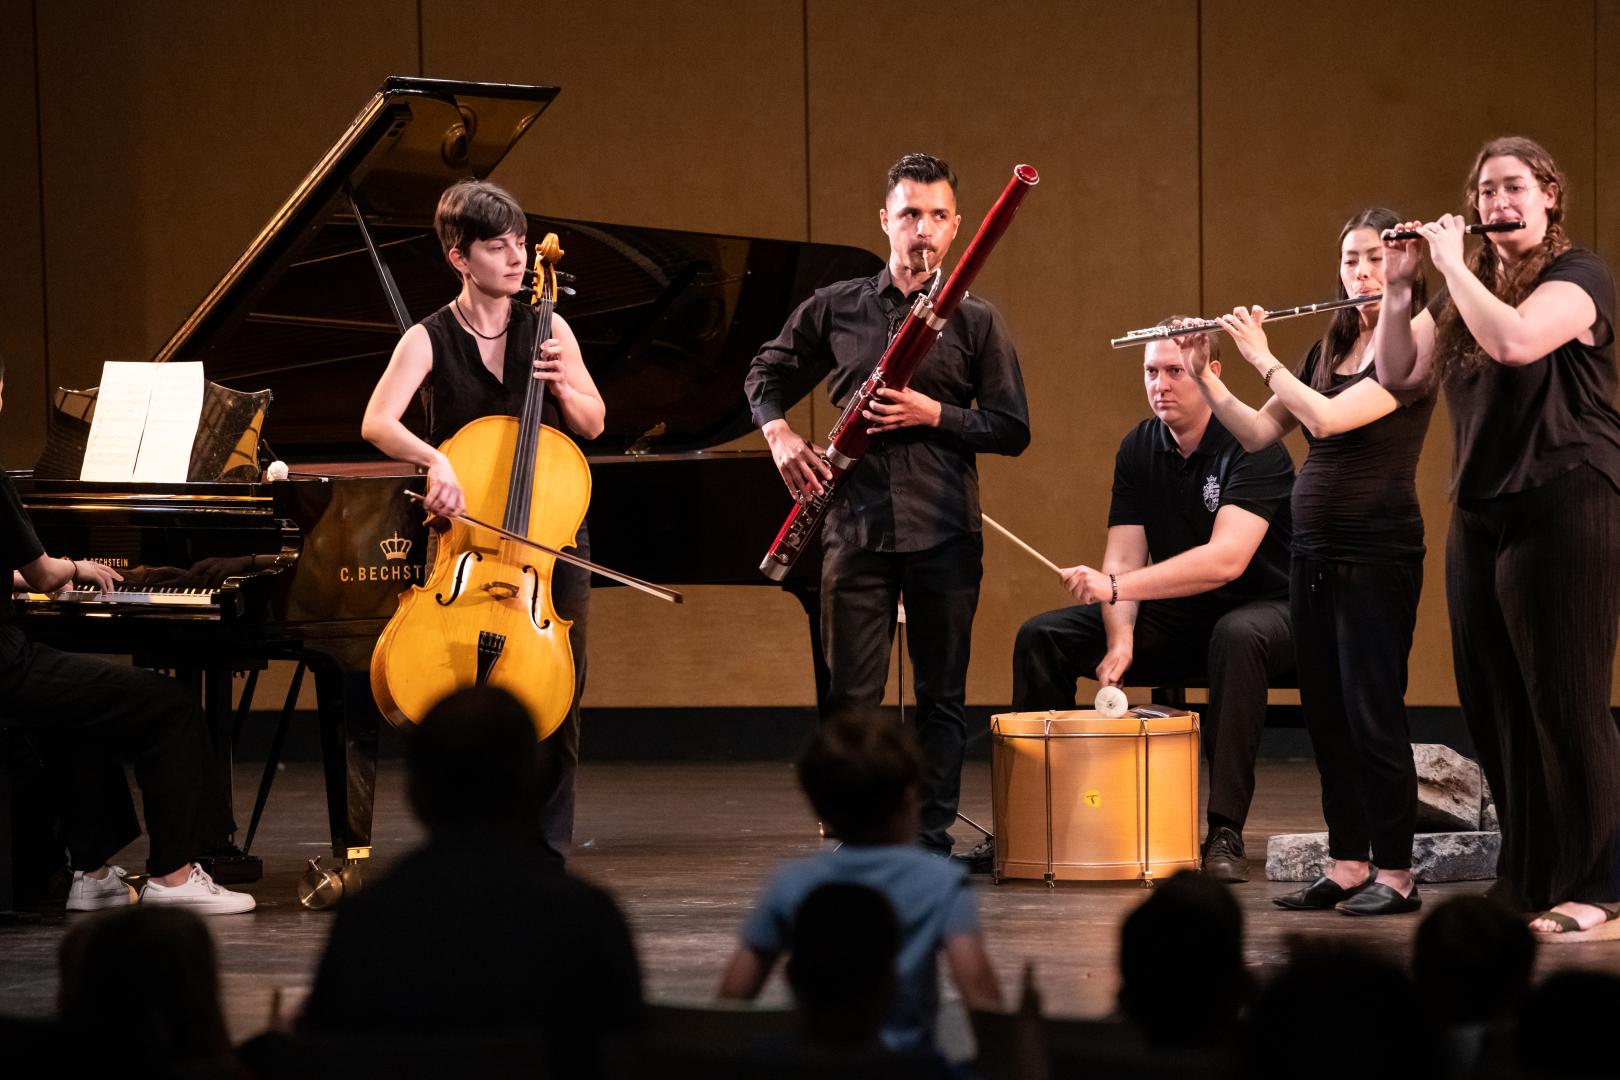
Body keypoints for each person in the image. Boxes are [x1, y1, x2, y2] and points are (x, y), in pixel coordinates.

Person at [745, 152, 1030, 856]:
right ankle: (860, 838)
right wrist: (778, 433)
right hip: (855, 529)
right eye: (910, 215)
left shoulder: (977, 322)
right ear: (885, 221)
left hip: (944, 530)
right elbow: (764, 372)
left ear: (958, 227)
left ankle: (930, 840)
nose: (923, 231)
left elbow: (1013, 428)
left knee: (942, 699)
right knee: (851, 703)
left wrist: (936, 414)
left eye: (937, 217)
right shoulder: (837, 306)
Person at [1374, 136, 1620, 939]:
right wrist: (1402, 289)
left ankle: (1601, 885)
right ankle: (1529, 876)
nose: (1495, 203)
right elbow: (1399, 376)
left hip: (1569, 497)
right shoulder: (1472, 286)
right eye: (1484, 192)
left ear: (1550, 194)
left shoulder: (1578, 276)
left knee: (1566, 701)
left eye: (1513, 187)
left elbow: (1516, 340)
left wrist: (1449, 268)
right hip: (1481, 510)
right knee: (1497, 703)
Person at [1188, 209, 1434, 915]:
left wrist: (1262, 355)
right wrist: (1209, 376)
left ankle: (1396, 873)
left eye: (1373, 259)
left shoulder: (1416, 337)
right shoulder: (1327, 347)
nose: (1360, 273)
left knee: (1372, 714)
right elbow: (1265, 429)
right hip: (1314, 552)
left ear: (1402, 264)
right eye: (1350, 261)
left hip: (1376, 550)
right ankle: (1349, 862)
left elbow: (1327, 421)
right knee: (1327, 714)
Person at [361, 179, 606, 857]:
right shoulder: (428, 338)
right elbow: (377, 422)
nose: (516, 258)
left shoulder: (549, 326)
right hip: (464, 543)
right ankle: (465, 840)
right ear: (458, 257)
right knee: (460, 705)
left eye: (521, 243)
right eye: (496, 246)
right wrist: (434, 461)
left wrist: (563, 384)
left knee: (558, 705)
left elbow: (592, 421)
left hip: (549, 547)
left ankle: (545, 849)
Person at [1011, 327, 1294, 881]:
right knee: (1043, 636)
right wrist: (1120, 639)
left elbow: (1225, 561)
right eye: (1151, 372)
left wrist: (1116, 590)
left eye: (1176, 372)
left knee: (1237, 636)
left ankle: (1225, 832)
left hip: (1272, 611)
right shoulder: (1140, 447)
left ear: (1212, 374)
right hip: (1183, 618)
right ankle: (1042, 820)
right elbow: (1121, 557)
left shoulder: (1253, 447)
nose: (1160, 385)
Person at [0, 362, 255, 915]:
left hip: (12, 663)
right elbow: (46, 577)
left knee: (81, 705)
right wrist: (74, 565)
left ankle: (90, 873)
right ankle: (172, 877)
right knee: (171, 707)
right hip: (4, 668)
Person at [297, 686, 643, 1079]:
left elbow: (328, 1051)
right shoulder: (590, 920)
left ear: (414, 793)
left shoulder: (366, 919)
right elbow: (624, 1058)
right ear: (540, 784)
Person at [717, 718, 1004, 1056]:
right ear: (909, 798)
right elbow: (983, 1002)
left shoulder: (790, 882)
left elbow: (729, 1006)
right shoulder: (940, 883)